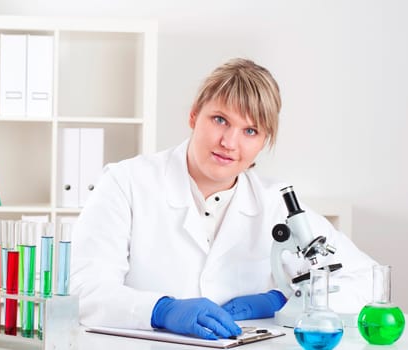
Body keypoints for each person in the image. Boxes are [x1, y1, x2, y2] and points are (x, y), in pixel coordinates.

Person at [70, 58, 376, 340]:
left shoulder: (274, 203)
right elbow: (85, 291)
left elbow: (368, 281)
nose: (229, 142)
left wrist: (281, 300)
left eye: (250, 130)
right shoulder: (126, 183)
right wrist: (161, 310)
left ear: (264, 141)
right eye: (219, 120)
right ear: (194, 115)